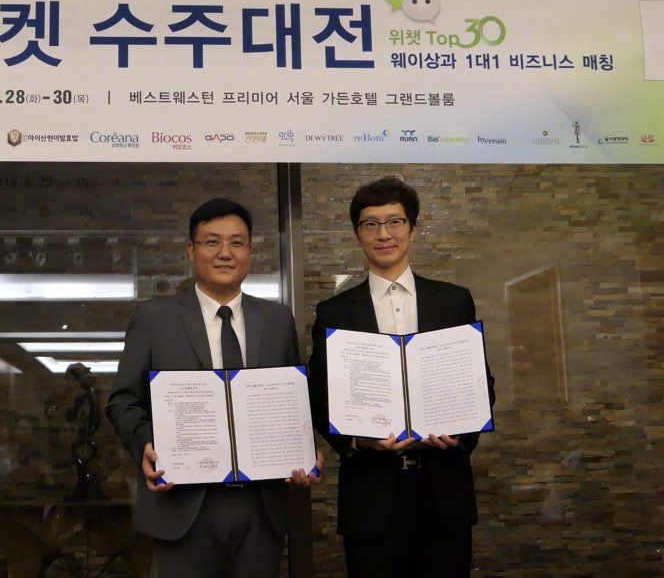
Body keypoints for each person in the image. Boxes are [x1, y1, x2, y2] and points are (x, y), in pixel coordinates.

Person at [106, 198, 320, 578]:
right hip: (183, 505)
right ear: (191, 250)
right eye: (212, 242)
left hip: (261, 507)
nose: (225, 253)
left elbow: (290, 401)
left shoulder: (277, 320)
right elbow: (123, 400)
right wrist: (145, 444)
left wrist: (302, 448)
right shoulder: (154, 319)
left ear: (250, 251)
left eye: (237, 242)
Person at [308, 176, 496, 578]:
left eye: (394, 221)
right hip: (371, 496)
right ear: (358, 234)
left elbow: (480, 382)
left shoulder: (454, 300)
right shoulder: (334, 312)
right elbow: (320, 395)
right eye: (370, 224)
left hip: (444, 492)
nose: (383, 234)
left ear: (412, 227)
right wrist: (357, 440)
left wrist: (462, 434)